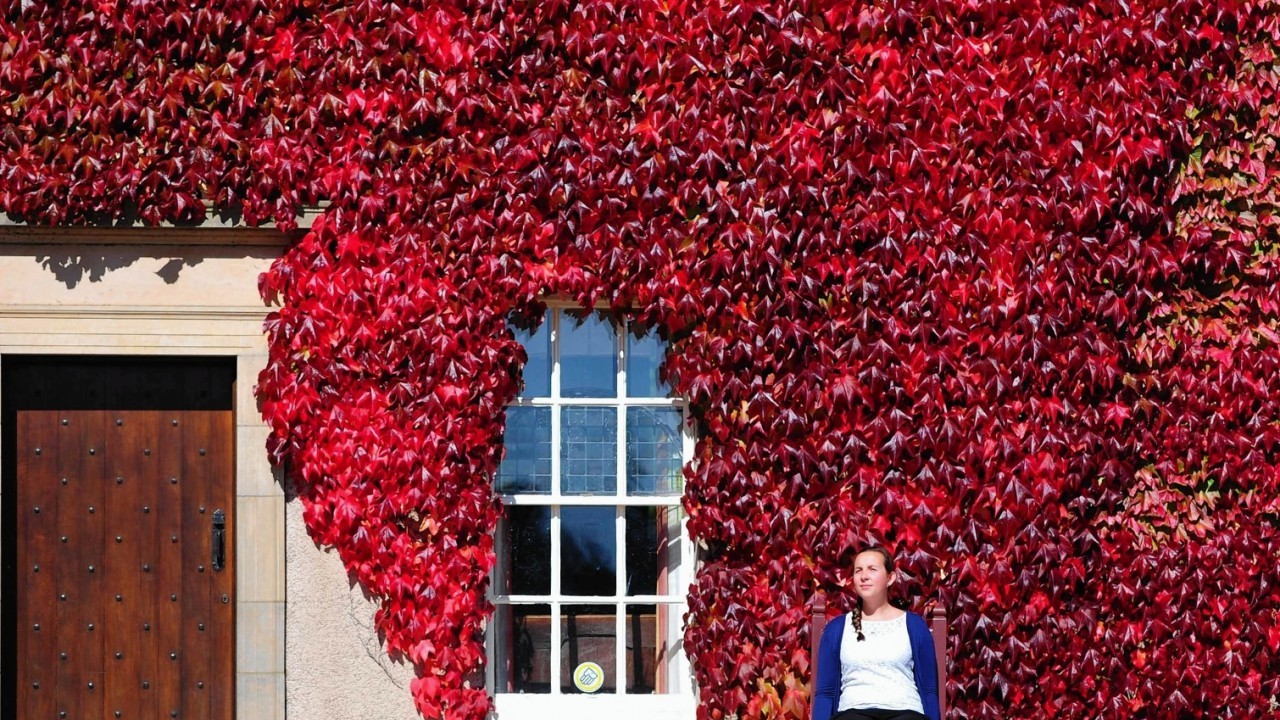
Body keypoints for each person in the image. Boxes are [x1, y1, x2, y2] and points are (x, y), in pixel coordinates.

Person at [811, 547, 940, 720]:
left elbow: (929, 690)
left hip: (906, 711)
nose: (864, 576)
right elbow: (825, 693)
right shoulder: (837, 629)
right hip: (854, 712)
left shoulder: (914, 626)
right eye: (858, 570)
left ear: (890, 578)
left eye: (872, 569)